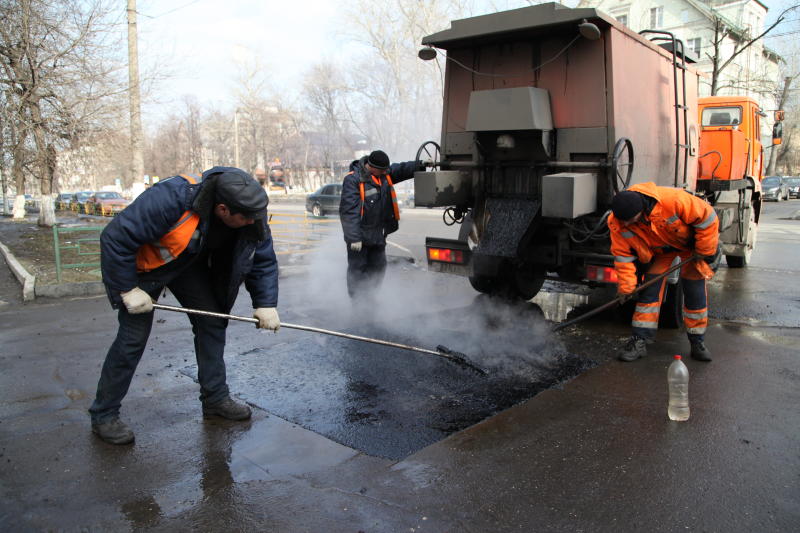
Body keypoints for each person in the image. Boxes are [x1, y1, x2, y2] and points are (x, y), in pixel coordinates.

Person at [89, 166, 281, 445]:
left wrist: (265, 303)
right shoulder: (172, 197)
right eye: (246, 218)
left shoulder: (251, 209)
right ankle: (104, 414)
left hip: (188, 265)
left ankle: (215, 398)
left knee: (212, 322)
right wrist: (127, 289)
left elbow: (261, 256)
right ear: (223, 210)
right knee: (132, 339)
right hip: (147, 270)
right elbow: (116, 238)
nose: (253, 222)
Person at [607, 182, 721, 363]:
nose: (627, 224)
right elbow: (623, 257)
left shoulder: (673, 201)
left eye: (631, 219)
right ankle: (639, 340)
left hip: (691, 248)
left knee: (694, 291)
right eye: (624, 221)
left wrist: (704, 250)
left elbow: (708, 217)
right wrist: (627, 288)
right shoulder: (617, 222)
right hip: (662, 252)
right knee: (649, 293)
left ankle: (697, 342)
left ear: (643, 209)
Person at [339, 150, 421, 298]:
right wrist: (353, 238)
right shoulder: (354, 180)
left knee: (378, 268)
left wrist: (420, 165)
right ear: (372, 166)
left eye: (386, 170)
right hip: (360, 238)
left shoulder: (384, 175)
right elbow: (349, 212)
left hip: (378, 235)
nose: (386, 172)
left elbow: (401, 169)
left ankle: (370, 299)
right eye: (382, 170)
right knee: (357, 271)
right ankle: (358, 304)